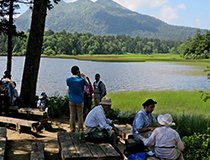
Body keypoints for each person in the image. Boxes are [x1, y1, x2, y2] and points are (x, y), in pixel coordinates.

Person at [66, 65, 89, 132]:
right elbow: (87, 84)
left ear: (71, 72)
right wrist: (84, 77)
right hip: (80, 100)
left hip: (72, 100)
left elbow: (69, 85)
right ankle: (80, 129)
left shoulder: (68, 80)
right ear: (78, 72)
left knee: (72, 115)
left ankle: (72, 128)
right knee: (80, 115)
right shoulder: (81, 80)